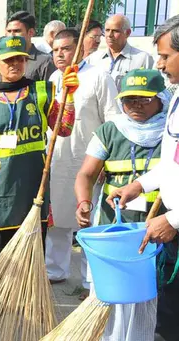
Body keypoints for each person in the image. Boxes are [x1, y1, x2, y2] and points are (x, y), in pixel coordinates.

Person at [0, 36, 78, 267]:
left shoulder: (41, 93)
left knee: (30, 258)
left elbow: (64, 128)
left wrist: (69, 96)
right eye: (8, 60)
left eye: (20, 59)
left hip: (33, 189)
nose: (15, 64)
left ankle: (25, 302)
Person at [75, 69, 169, 341]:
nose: (135, 106)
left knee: (150, 297)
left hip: (157, 229)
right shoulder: (110, 130)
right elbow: (86, 174)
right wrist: (83, 201)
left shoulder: (171, 131)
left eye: (143, 99)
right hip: (115, 229)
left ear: (161, 98)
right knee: (112, 296)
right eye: (129, 100)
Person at [107, 16, 179, 341]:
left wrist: (174, 220)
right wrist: (138, 185)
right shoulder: (176, 99)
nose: (159, 65)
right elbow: (173, 164)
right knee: (167, 317)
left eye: (165, 56)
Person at [45, 29, 119, 294]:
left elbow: (112, 121)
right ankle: (55, 271)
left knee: (89, 223)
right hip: (57, 160)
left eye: (66, 48)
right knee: (58, 221)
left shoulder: (100, 76)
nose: (60, 54)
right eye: (55, 50)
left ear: (80, 49)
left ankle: (91, 281)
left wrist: (105, 161)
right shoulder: (53, 79)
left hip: (88, 164)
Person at [0, 11, 56, 85]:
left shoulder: (45, 62)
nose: (12, 35)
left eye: (17, 31)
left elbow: (49, 92)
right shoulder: (2, 60)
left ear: (31, 32)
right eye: (9, 31)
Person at [85, 14, 154, 89]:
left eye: (115, 31)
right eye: (107, 30)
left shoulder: (143, 59)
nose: (110, 35)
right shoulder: (94, 59)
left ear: (127, 33)